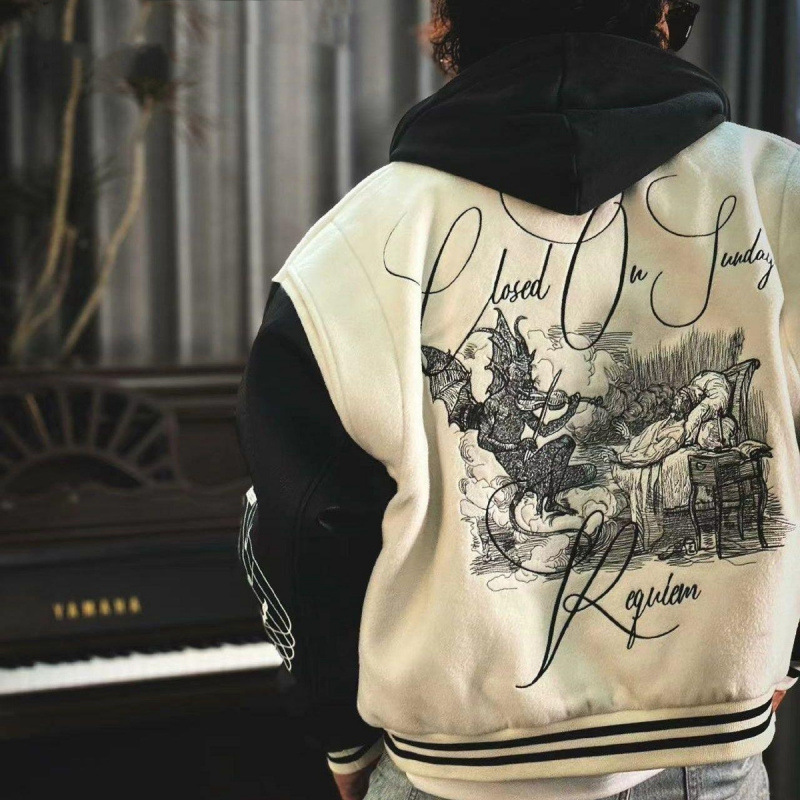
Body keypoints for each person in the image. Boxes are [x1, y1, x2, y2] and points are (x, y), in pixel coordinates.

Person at [235, 2, 800, 799]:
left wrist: (342, 740)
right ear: (662, 9)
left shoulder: (354, 245)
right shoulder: (782, 194)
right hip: (704, 769)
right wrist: (778, 661)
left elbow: (302, 538)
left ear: (450, 17)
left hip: (447, 775)